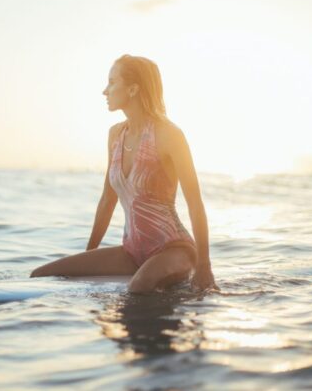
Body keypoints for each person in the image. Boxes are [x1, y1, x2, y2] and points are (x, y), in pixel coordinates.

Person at [30, 54, 217, 294]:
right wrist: (89, 257)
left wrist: (204, 266)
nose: (104, 91)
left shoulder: (169, 135)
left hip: (174, 250)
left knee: (138, 288)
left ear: (133, 89)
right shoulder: (115, 135)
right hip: (132, 251)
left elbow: (195, 202)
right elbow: (108, 200)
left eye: (111, 82)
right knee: (41, 275)